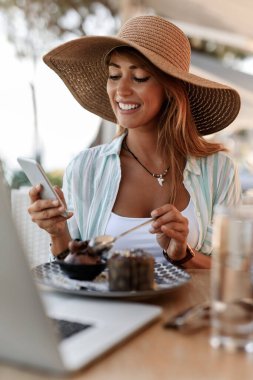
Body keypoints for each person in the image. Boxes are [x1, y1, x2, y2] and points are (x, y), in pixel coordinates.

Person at [28, 15, 241, 269]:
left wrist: (183, 253)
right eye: (114, 75)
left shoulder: (219, 171)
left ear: (170, 90)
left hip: (192, 309)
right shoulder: (85, 168)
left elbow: (235, 271)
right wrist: (58, 233)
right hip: (107, 310)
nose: (121, 91)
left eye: (139, 77)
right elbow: (73, 270)